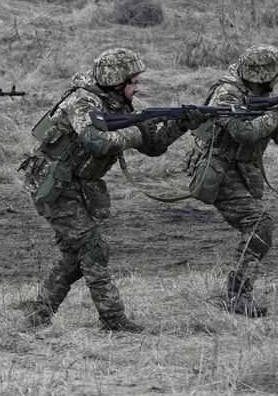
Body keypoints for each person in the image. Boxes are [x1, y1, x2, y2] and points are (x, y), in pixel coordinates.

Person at [19, 48, 205, 331]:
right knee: (94, 247)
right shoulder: (82, 101)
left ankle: (38, 315)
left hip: (78, 183)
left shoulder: (121, 105)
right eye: (133, 82)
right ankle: (112, 319)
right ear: (117, 81)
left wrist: (180, 125)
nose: (138, 87)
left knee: (75, 256)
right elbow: (97, 142)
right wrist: (136, 131)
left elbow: (153, 146)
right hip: (52, 184)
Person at [186, 44, 278, 317]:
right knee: (259, 224)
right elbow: (244, 132)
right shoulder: (227, 93)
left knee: (258, 226)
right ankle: (236, 295)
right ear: (260, 75)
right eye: (275, 75)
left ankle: (238, 293)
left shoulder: (259, 94)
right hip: (218, 171)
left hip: (241, 171)